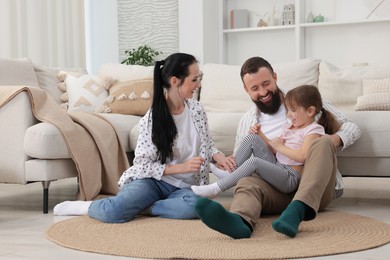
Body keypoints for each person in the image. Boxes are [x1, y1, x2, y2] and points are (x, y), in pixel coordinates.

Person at [53, 53, 234, 222]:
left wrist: (219, 157)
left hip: (185, 188)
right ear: (175, 81)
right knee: (113, 213)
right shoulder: (153, 118)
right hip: (154, 182)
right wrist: (182, 167)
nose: (198, 85)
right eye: (194, 80)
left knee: (196, 208)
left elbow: (206, 143)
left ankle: (145, 208)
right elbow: (143, 164)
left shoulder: (197, 110)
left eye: (199, 79)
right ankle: (87, 207)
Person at [194, 57, 361, 239]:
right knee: (247, 179)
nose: (263, 92)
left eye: (266, 83)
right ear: (246, 90)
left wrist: (329, 141)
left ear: (275, 77)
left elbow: (352, 127)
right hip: (278, 184)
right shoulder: (248, 120)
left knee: (323, 142)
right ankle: (239, 221)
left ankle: (299, 209)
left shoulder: (304, 100)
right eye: (255, 88)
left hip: (316, 187)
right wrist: (227, 162)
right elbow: (244, 156)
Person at [191, 85, 340, 198]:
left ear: (310, 111)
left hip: (290, 177)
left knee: (254, 162)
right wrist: (260, 134)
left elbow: (302, 156)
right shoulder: (290, 126)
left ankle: (216, 188)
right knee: (251, 139)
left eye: (293, 110)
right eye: (288, 110)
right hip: (278, 166)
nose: (289, 114)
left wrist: (280, 146)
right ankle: (230, 173)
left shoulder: (313, 130)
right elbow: (274, 149)